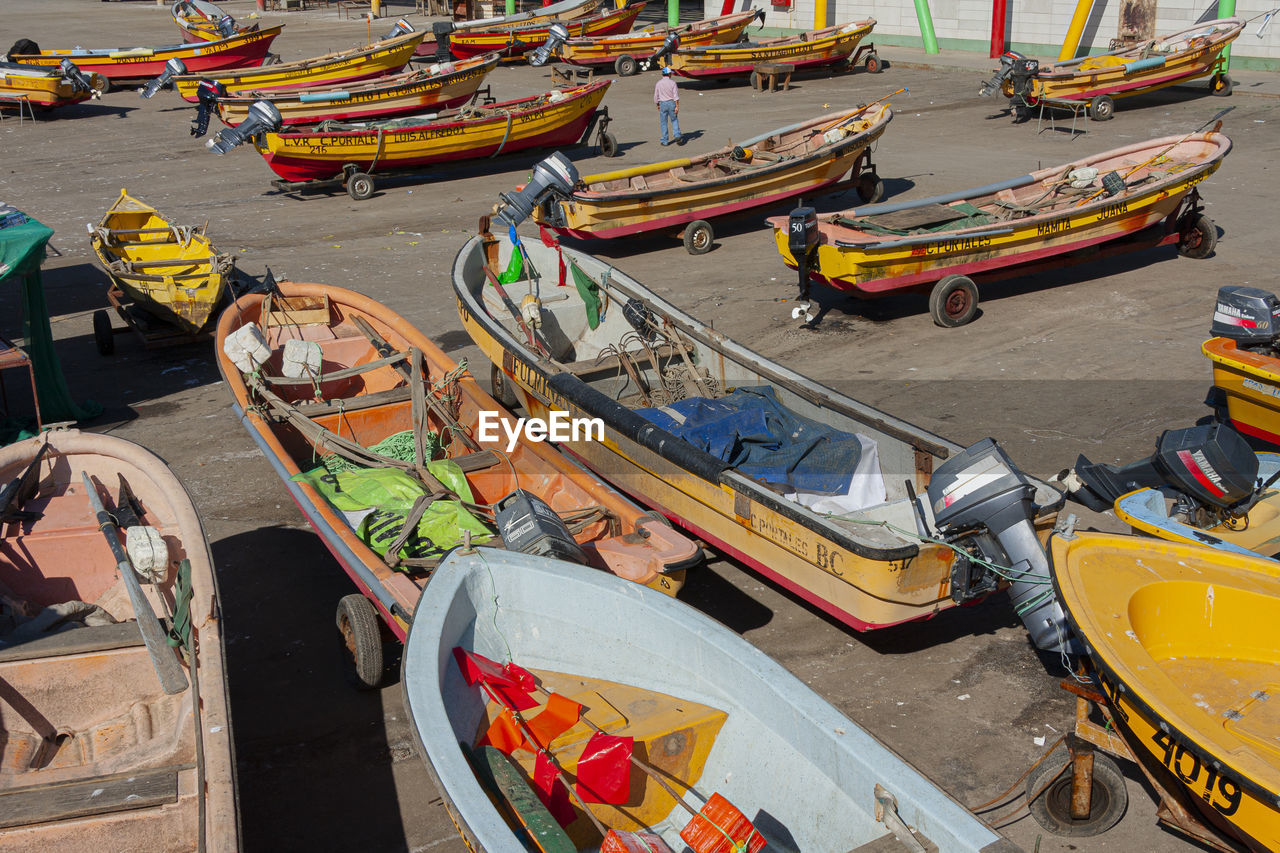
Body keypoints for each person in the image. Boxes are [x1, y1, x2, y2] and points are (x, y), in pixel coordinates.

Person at [654, 66, 681, 146]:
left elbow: (656, 96)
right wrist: (677, 106)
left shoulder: (658, 83)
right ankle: (677, 135)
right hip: (671, 103)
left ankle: (665, 141)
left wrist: (657, 104)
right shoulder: (673, 83)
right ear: (669, 74)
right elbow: (676, 96)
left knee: (663, 122)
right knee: (674, 120)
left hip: (662, 103)